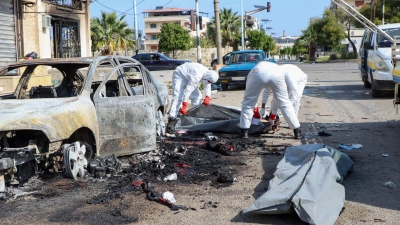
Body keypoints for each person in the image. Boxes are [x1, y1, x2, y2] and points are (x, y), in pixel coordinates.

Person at [239, 61, 302, 139]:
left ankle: (244, 133)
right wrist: (263, 108)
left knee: (248, 102)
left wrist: (256, 111)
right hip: (277, 74)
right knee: (285, 103)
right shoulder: (277, 69)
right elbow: (269, 94)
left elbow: (249, 98)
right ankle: (297, 131)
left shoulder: (253, 73)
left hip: (260, 73)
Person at [166, 62, 219, 134]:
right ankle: (171, 121)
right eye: (209, 81)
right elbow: (188, 90)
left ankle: (193, 117)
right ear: (207, 78)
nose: (209, 83)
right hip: (180, 75)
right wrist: (185, 104)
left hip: (189, 77)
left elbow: (207, 85)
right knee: (177, 97)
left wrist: (207, 96)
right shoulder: (198, 75)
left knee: (198, 97)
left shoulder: (207, 74)